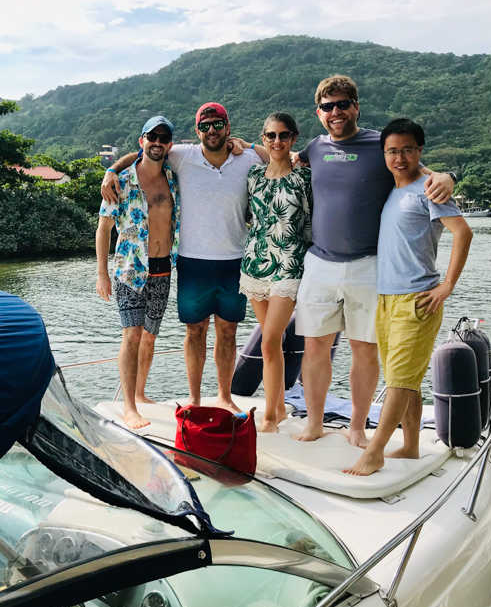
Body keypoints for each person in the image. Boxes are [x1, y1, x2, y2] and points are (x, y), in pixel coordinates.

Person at [291, 75, 456, 445]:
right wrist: (241, 145)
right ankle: (314, 423)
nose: (335, 112)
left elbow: (417, 170)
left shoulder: (379, 144)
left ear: (356, 106)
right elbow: (279, 154)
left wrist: (448, 175)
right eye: (327, 107)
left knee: (363, 348)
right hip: (319, 262)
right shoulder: (315, 148)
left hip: (369, 264)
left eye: (342, 104)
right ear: (319, 113)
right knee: (315, 345)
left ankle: (356, 427)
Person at [101, 103, 268, 413]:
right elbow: (142, 153)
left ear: (228, 127)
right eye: (205, 126)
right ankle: (193, 398)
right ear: (197, 131)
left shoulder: (247, 158)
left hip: (234, 260)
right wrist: (111, 170)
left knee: (228, 331)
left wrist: (246, 143)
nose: (212, 131)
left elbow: (281, 157)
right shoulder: (182, 156)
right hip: (192, 261)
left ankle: (224, 396)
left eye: (218, 125)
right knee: (195, 330)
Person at [344, 118, 472, 475]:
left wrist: (447, 286)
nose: (400, 157)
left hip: (417, 299)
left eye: (408, 150)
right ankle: (411, 446)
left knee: (399, 379)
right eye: (392, 151)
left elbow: (463, 233)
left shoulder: (428, 190)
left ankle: (375, 451)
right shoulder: (394, 189)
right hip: (386, 299)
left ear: (420, 151)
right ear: (384, 153)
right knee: (406, 378)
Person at [96, 116, 180, 429]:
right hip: (130, 269)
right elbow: (103, 229)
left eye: (163, 137)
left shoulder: (173, 176)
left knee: (149, 336)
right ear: (141, 140)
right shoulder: (121, 181)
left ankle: (141, 394)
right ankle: (129, 407)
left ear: (169, 144)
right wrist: (102, 273)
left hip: (163, 268)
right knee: (131, 335)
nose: (157, 142)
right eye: (151, 136)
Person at [240, 112, 312, 432]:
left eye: (284, 136)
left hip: (291, 263)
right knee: (274, 342)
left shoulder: (304, 178)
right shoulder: (253, 176)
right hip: (256, 263)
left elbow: (314, 223)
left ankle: (269, 417)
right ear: (264, 137)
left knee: (269, 342)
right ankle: (279, 407)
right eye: (271, 136)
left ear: (294, 138)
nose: (277, 141)